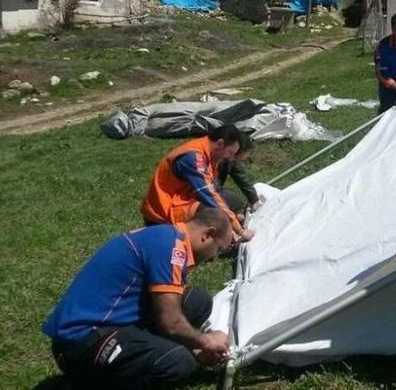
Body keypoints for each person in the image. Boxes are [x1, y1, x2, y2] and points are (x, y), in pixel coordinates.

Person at [42, 207, 235, 389]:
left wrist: (194, 345)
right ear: (207, 235)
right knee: (179, 361)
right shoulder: (170, 249)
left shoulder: (168, 236)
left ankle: (144, 352)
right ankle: (86, 382)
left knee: (197, 300)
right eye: (218, 250)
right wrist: (205, 342)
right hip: (80, 342)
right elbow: (171, 323)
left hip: (110, 320)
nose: (213, 259)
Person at [141, 125, 253, 242]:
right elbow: (210, 197)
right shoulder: (194, 158)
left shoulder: (206, 150)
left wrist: (232, 218)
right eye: (230, 152)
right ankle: (198, 242)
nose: (230, 158)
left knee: (232, 202)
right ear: (220, 144)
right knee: (212, 210)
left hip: (182, 198)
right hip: (163, 213)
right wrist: (239, 230)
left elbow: (213, 189)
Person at [217, 132, 261, 215]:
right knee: (235, 204)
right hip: (200, 191)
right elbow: (211, 188)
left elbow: (241, 178)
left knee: (236, 203)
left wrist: (254, 199)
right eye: (239, 158)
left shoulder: (231, 160)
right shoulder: (218, 159)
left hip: (214, 188)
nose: (239, 161)